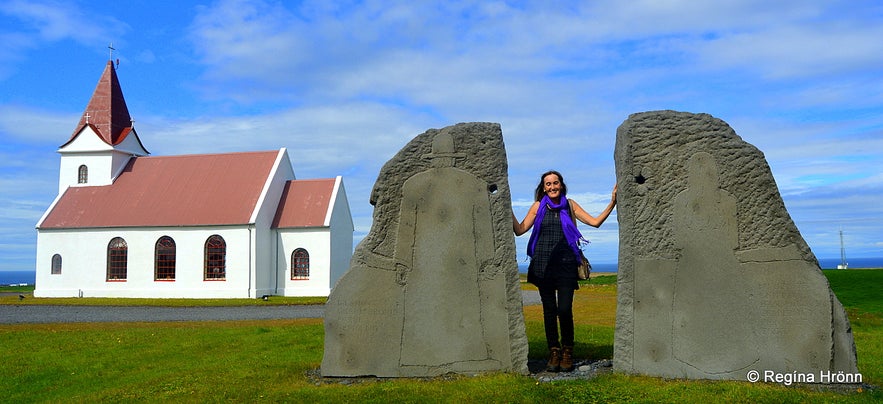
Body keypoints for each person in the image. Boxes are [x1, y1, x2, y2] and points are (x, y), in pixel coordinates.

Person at [512, 170, 617, 372]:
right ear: (543, 188)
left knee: (564, 309)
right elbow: (519, 229)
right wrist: (505, 206)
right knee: (549, 311)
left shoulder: (570, 205)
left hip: (567, 265)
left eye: (555, 183)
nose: (552, 187)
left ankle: (567, 351)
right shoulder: (537, 207)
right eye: (548, 184)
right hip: (543, 265)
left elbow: (595, 223)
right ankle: (554, 351)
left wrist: (612, 202)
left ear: (561, 185)